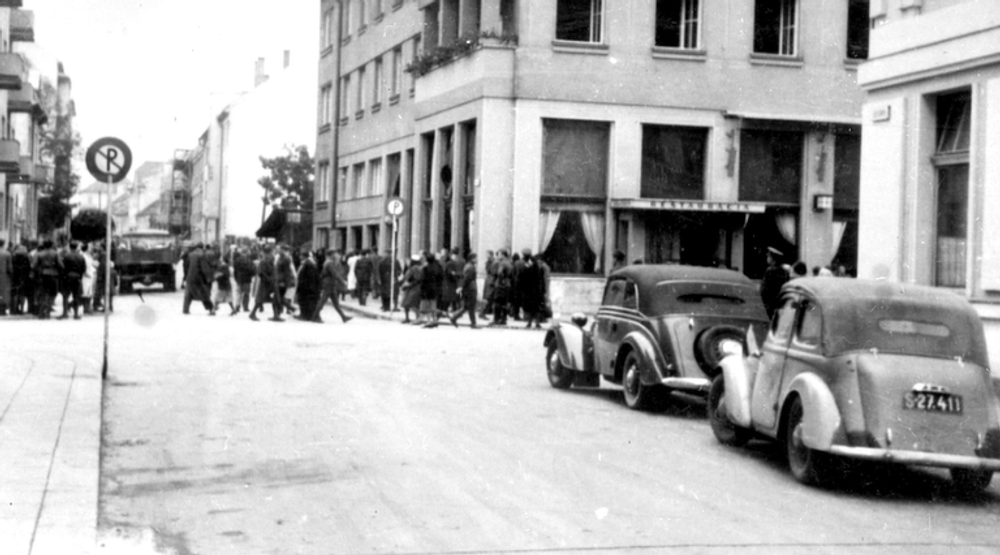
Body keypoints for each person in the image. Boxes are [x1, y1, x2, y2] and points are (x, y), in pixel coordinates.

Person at [313, 249, 351, 323]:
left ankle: (343, 317)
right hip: (329, 284)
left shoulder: (328, 262)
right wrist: (343, 282)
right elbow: (335, 274)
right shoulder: (329, 263)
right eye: (335, 253)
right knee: (322, 301)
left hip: (330, 283)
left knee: (335, 303)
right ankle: (314, 316)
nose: (336, 255)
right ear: (331, 255)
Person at [32, 239, 62, 319]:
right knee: (52, 293)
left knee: (43, 293)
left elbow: (33, 266)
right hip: (53, 274)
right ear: (51, 245)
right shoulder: (55, 253)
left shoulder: (39, 254)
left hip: (42, 274)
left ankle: (42, 312)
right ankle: (48, 311)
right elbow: (60, 265)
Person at [183, 243, 215, 315]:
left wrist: (186, 276)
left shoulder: (190, 255)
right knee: (204, 293)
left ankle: (185, 309)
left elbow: (186, 266)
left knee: (188, 293)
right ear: (202, 248)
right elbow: (204, 268)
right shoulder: (201, 255)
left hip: (189, 277)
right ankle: (211, 309)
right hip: (198, 278)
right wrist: (208, 277)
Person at [449, 253, 479, 328]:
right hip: (470, 289)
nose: (477, 259)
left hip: (469, 288)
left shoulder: (469, 266)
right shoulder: (470, 267)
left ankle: (454, 318)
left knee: (466, 307)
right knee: (470, 306)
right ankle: (473, 323)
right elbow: (466, 279)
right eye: (475, 258)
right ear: (472, 259)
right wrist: (463, 288)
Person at [58, 241, 86, 320]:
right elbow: (84, 268)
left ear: (70, 247)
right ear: (77, 247)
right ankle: (76, 314)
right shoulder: (81, 257)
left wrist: (64, 277)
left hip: (68, 277)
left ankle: (65, 313)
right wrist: (80, 276)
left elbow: (63, 267)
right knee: (76, 296)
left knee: (65, 296)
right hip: (77, 277)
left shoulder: (66, 256)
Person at [759, 247, 788, 319]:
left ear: (773, 258)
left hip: (769, 304)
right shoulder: (783, 271)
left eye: (768, 256)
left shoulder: (770, 270)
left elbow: (764, 290)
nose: (767, 257)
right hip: (779, 303)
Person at [249, 245, 276, 321]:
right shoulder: (264, 260)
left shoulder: (269, 259)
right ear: (269, 252)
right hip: (265, 282)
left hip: (269, 282)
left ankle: (276, 314)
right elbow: (261, 272)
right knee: (260, 299)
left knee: (272, 298)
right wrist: (268, 279)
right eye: (271, 252)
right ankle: (253, 313)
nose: (273, 253)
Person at [519, 254, 545, 329]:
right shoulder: (539, 268)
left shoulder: (527, 268)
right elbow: (541, 280)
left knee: (530, 308)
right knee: (536, 307)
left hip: (529, 291)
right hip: (536, 291)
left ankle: (530, 322)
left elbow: (522, 278)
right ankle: (537, 322)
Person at [420, 251, 443, 328]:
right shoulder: (438, 266)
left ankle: (429, 321)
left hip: (427, 288)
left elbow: (423, 279)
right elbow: (441, 277)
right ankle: (435, 320)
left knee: (428, 305)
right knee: (433, 304)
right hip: (436, 288)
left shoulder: (425, 268)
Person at [295, 251, 321, 320]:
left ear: (303, 256)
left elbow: (309, 277)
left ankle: (305, 315)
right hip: (305, 286)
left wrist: (305, 285)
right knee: (302, 301)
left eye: (301, 255)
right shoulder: (306, 263)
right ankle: (303, 314)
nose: (299, 257)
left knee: (304, 301)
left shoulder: (308, 264)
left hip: (306, 287)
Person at [490, 249, 513, 326]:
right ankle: (504, 319)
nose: (498, 256)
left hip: (501, 284)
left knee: (497, 302)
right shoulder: (509, 263)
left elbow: (499, 273)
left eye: (499, 254)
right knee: (504, 303)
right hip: (508, 284)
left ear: (503, 255)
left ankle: (496, 319)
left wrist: (500, 279)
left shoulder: (502, 263)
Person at [400, 254, 423, 324]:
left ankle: (418, 318)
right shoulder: (411, 268)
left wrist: (409, 284)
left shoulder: (415, 268)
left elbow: (417, 279)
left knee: (413, 304)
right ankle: (407, 318)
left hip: (414, 288)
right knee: (405, 304)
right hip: (408, 288)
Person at [233, 246, 255, 313]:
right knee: (246, 293)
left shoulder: (237, 259)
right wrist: (251, 275)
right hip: (247, 279)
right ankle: (245, 307)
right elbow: (253, 270)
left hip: (239, 278)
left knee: (238, 292)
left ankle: (237, 306)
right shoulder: (249, 260)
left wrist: (236, 278)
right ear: (247, 252)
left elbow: (235, 270)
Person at [11, 243, 30, 315]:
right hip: (24, 276)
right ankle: (22, 309)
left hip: (15, 275)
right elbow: (28, 267)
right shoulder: (25, 256)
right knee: (22, 293)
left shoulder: (14, 256)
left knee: (15, 293)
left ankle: (15, 309)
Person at [479, 250, 496, 320]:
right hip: (490, 280)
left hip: (490, 280)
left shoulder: (492, 262)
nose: (486, 256)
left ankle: (483, 312)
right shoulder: (490, 262)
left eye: (487, 254)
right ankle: (483, 312)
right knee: (488, 298)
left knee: (488, 298)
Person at [80, 243, 97, 314]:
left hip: (90, 275)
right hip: (86, 276)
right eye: (89, 247)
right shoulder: (83, 256)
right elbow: (83, 266)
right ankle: (86, 308)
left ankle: (87, 308)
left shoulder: (88, 256)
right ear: (86, 249)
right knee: (85, 292)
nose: (91, 249)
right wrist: (85, 273)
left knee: (89, 293)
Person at [0, 239, 10, 316]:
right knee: (4, 293)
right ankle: (2, 309)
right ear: (3, 244)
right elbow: (10, 267)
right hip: (3, 275)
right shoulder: (7, 254)